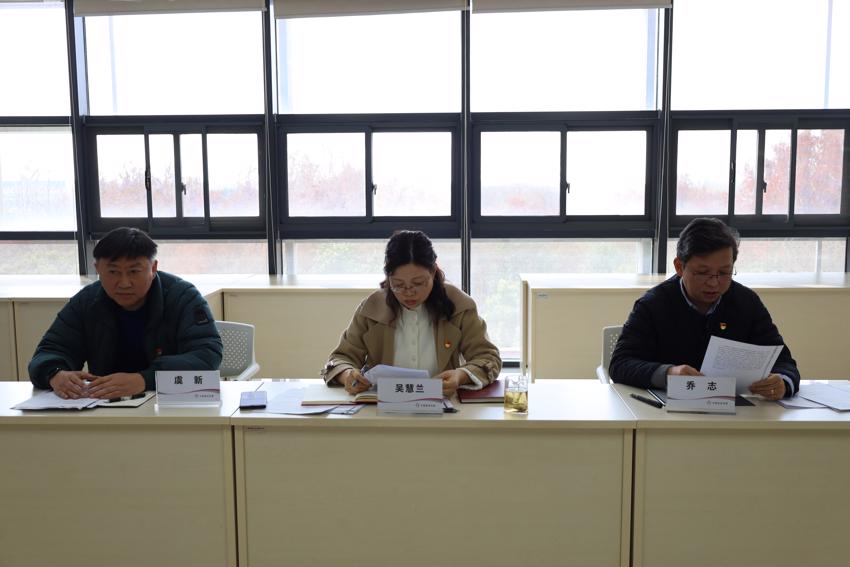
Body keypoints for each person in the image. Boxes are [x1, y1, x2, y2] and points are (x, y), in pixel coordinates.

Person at [609, 217, 800, 400]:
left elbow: (783, 361)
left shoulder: (746, 303)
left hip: (735, 412)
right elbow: (620, 364)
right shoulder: (654, 304)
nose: (714, 283)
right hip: (666, 411)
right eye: (702, 273)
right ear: (679, 267)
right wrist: (668, 373)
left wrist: (782, 382)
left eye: (724, 272)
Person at [28, 227, 223, 399]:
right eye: (113, 272)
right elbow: (49, 351)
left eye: (134, 272)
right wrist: (55, 374)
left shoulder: (182, 297)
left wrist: (145, 379)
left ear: (153, 268)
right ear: (98, 269)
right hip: (105, 405)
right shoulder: (87, 301)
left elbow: (207, 355)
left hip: (169, 404)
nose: (124, 283)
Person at [322, 230, 502, 397]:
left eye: (418, 283)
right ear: (388, 278)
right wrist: (348, 375)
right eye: (398, 285)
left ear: (433, 272)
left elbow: (488, 358)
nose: (408, 292)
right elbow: (340, 358)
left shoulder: (459, 305)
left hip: (443, 404)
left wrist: (460, 375)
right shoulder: (372, 308)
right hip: (382, 406)